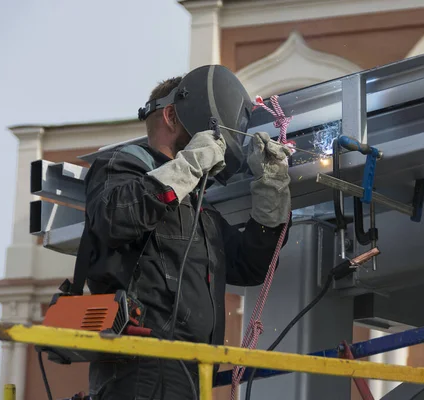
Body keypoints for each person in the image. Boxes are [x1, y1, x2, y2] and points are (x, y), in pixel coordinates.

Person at [80, 72, 292, 399]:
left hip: (195, 372)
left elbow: (251, 265)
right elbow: (114, 217)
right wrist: (187, 167)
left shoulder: (200, 212)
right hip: (137, 370)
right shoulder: (118, 167)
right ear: (171, 116)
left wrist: (270, 191)